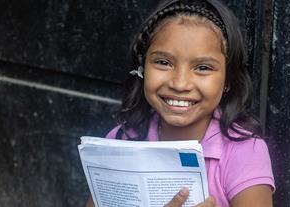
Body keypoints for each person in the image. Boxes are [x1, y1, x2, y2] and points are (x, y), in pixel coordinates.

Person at [86, 0, 275, 206]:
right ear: (143, 68)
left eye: (203, 67)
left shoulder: (244, 152)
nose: (180, 83)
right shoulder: (122, 140)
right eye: (163, 63)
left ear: (228, 79)